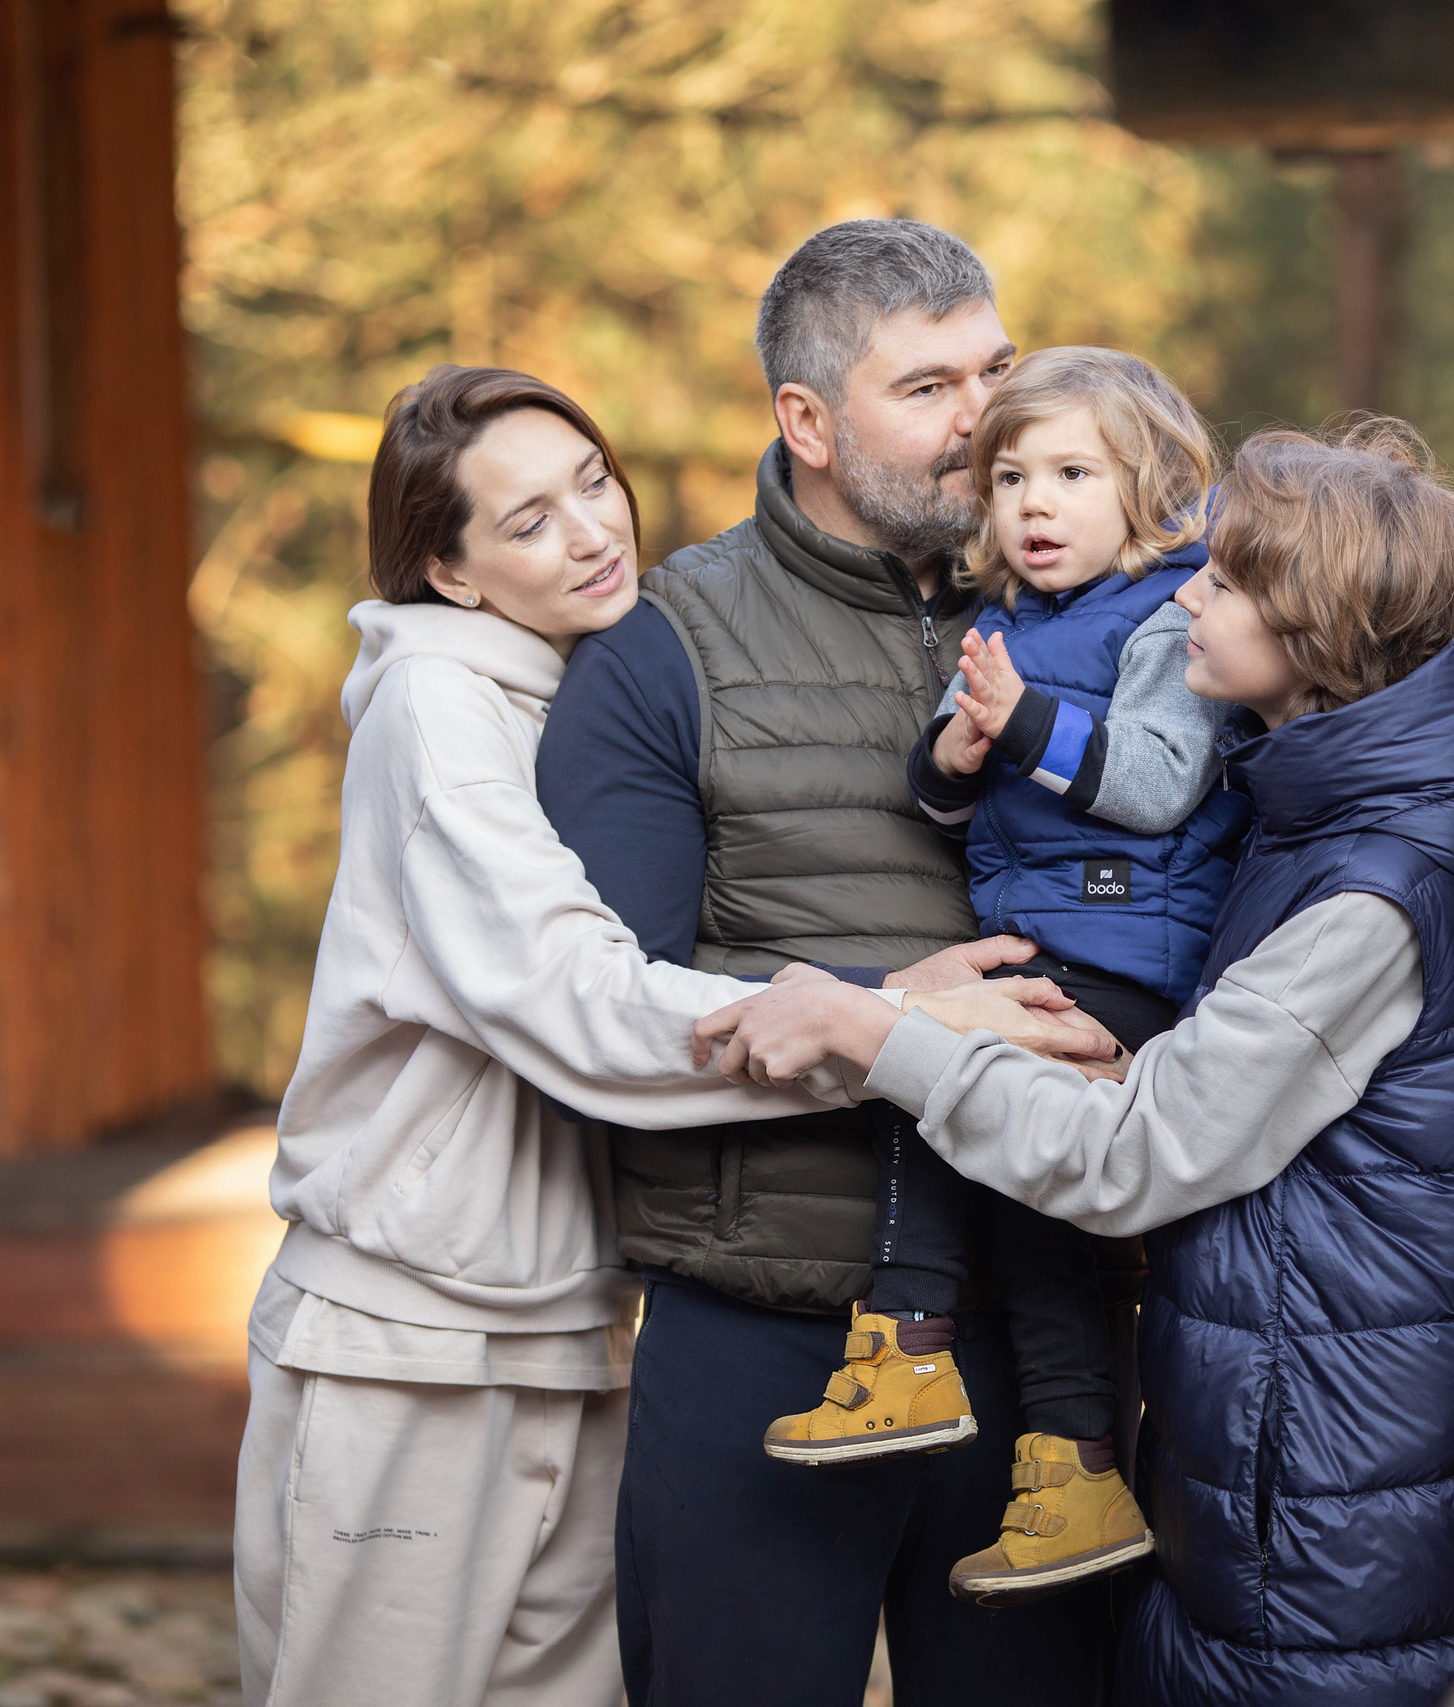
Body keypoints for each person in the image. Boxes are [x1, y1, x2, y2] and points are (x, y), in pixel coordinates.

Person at [234, 364, 1103, 1707]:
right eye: (525, 521)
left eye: (592, 481)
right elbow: (578, 999)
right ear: (449, 572)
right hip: (410, 1336)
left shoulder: (574, 683)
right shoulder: (434, 710)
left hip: (569, 1322)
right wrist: (895, 1015)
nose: (591, 530)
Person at [699, 418, 1454, 1707]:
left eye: (1224, 582)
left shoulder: (1373, 894)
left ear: (1317, 629)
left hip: (1336, 1545)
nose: (1187, 596)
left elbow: (1137, 1161)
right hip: (1304, 1484)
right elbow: (1231, 1109)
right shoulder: (1314, 816)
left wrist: (871, 1030)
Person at [536, 221, 1119, 1705]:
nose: (984, 417)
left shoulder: (1111, 609)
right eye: (927, 386)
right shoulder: (664, 649)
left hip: (1037, 1335)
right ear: (806, 420)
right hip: (770, 1329)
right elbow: (606, 1024)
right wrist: (894, 1016)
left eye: (995, 367)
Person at [761, 347, 1251, 1609]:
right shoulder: (1004, 629)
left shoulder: (1171, 612)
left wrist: (1022, 721)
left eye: (1073, 474)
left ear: (1151, 487)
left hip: (1129, 957)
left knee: (943, 1096)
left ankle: (908, 1346)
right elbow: (935, 798)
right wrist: (962, 743)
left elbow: (1152, 780)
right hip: (1048, 948)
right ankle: (1072, 1472)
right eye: (1013, 477)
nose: (1035, 504)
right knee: (1036, 1226)